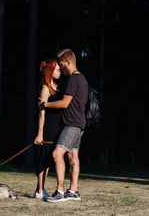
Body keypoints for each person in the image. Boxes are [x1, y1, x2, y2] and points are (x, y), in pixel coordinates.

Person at [38, 49, 88, 202]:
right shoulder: (82, 79)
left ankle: (60, 191)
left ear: (68, 62)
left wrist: (45, 104)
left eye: (61, 65)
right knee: (73, 156)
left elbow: (65, 103)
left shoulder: (73, 79)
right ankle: (73, 191)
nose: (61, 69)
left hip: (72, 123)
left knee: (56, 154)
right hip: (80, 123)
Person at [33, 58, 62, 199]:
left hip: (56, 126)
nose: (60, 72)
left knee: (49, 158)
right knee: (43, 158)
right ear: (50, 72)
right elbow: (41, 113)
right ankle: (39, 190)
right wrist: (40, 134)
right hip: (48, 127)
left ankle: (41, 188)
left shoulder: (56, 85)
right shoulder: (45, 88)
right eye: (57, 70)